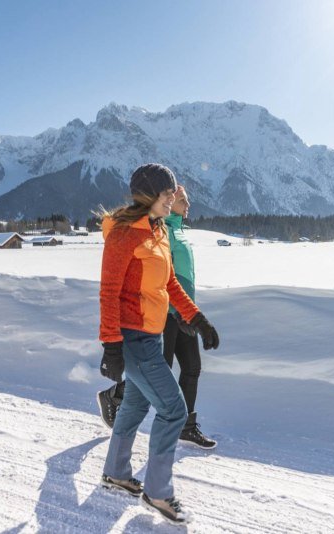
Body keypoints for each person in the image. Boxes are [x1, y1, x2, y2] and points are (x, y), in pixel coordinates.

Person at [97, 163, 220, 525]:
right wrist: (111, 346)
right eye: (167, 194)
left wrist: (197, 319)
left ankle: (116, 473)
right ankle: (158, 492)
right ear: (150, 195)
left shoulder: (158, 231)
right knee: (174, 410)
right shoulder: (123, 235)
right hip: (133, 338)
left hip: (151, 334)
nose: (173, 199)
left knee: (134, 407)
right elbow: (108, 293)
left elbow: (169, 284)